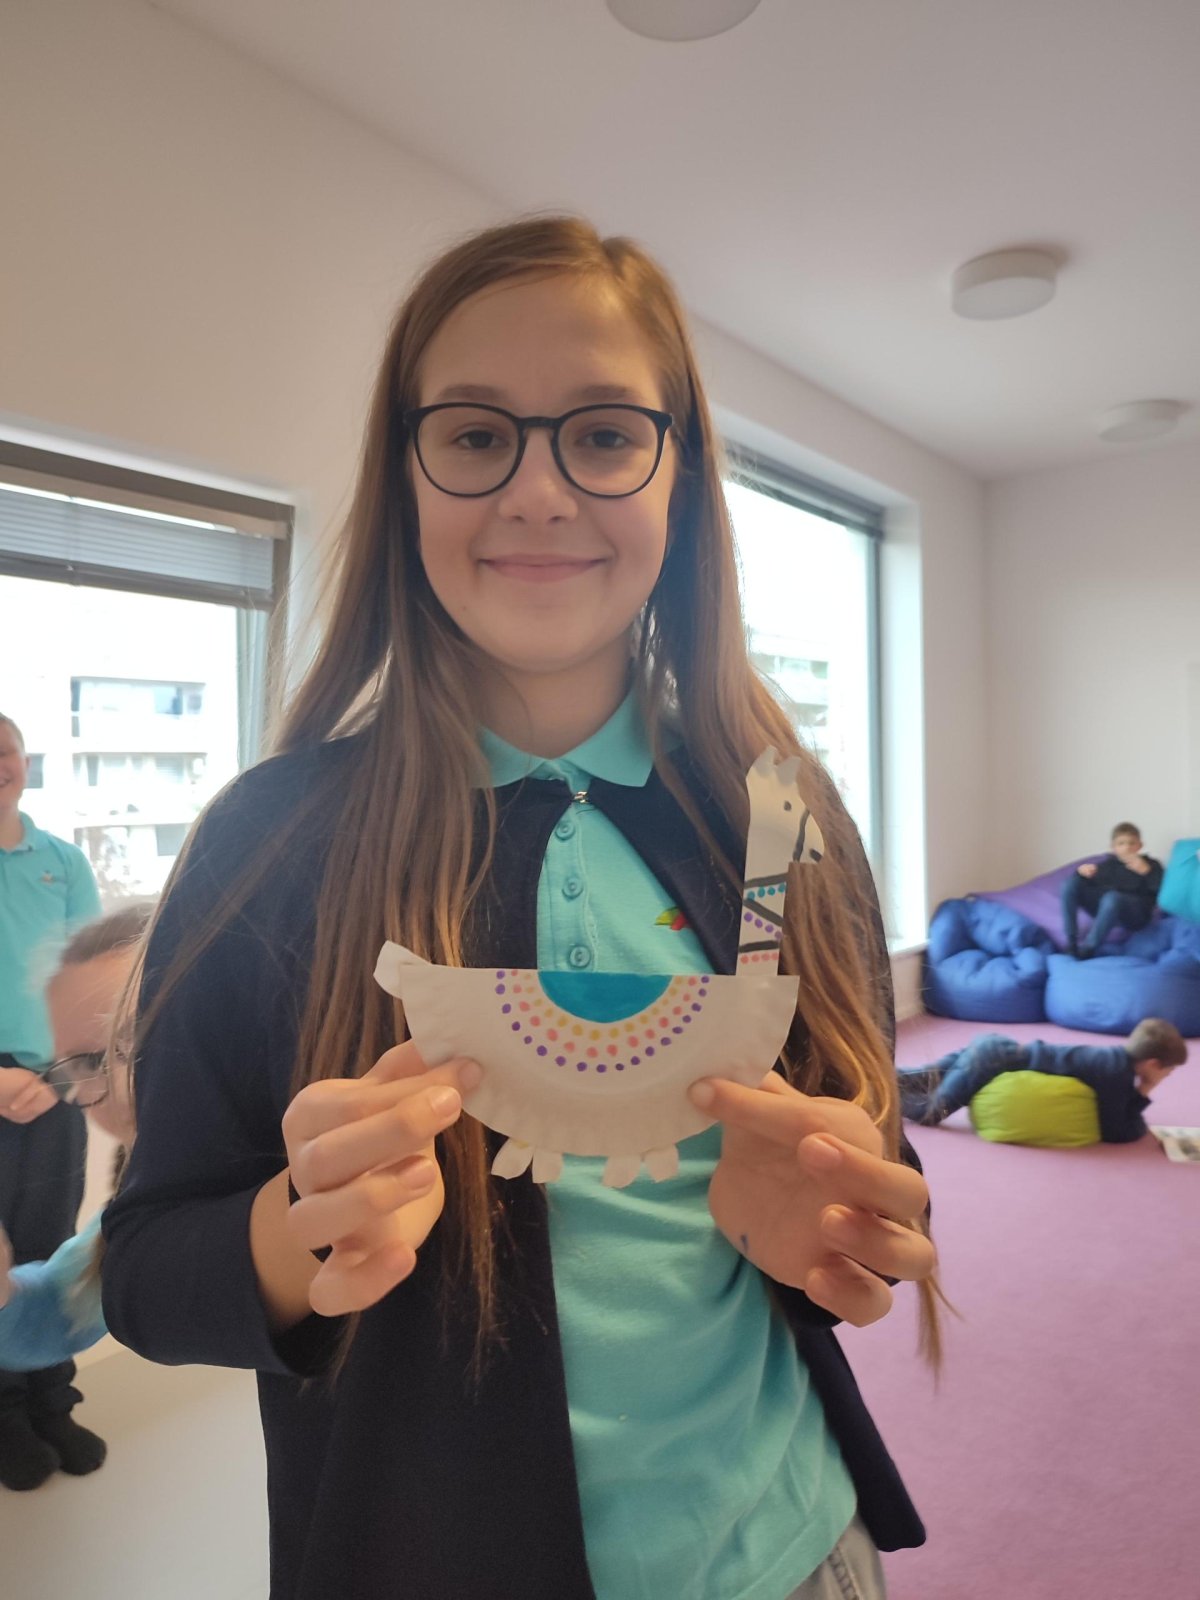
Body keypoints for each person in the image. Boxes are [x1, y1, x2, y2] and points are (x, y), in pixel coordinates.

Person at [101, 216, 942, 1600]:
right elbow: (143, 1271)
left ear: (681, 477)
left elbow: (871, 1150)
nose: (540, 494)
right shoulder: (267, 843)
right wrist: (300, 1231)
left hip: (793, 1549)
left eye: (604, 435)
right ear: (405, 473)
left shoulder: (782, 819)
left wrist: (841, 1230)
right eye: (478, 435)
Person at [0, 903, 151, 1488]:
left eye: (138, 1040)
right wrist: (6, 1297)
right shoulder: (141, 1190)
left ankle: (51, 1409)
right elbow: (71, 1300)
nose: (117, 1090)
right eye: (86, 1064)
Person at [0, 713, 103, 1491]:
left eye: (4, 751)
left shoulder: (62, 863)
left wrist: (63, 1080)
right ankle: (5, 1416)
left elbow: (89, 985)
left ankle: (52, 1403)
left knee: (53, 1247)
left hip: (57, 1085)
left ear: (25, 762)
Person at [898, 1018, 1187, 1141]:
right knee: (932, 1112)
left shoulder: (1113, 1059)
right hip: (993, 1060)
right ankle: (885, 1098)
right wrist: (1145, 1091)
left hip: (994, 1046)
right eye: (1168, 1071)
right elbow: (1116, 1131)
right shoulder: (1117, 1075)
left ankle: (883, 1078)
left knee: (924, 1076)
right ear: (1152, 1064)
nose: (1167, 1076)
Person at [1061, 822, 1164, 958]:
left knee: (1113, 897)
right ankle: (1071, 942)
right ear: (1113, 847)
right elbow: (1085, 885)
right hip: (1106, 909)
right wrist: (1081, 873)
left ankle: (1088, 949)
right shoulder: (1107, 865)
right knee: (1070, 884)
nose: (1127, 847)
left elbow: (1162, 893)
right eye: (1121, 843)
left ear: (1140, 845)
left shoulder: (1151, 864)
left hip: (1135, 914)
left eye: (1132, 843)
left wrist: (1147, 872)